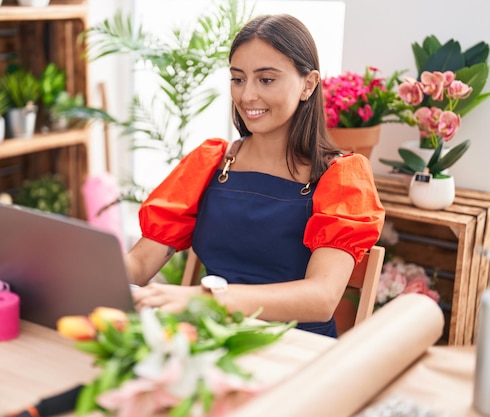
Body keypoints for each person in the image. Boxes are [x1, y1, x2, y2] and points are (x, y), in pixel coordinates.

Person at [124, 13, 385, 338]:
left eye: (266, 79)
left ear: (309, 83)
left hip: (296, 350)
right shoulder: (209, 163)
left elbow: (321, 298)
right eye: (238, 78)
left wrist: (206, 302)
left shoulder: (341, 178)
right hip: (211, 339)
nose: (247, 96)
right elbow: (141, 264)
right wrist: (78, 271)